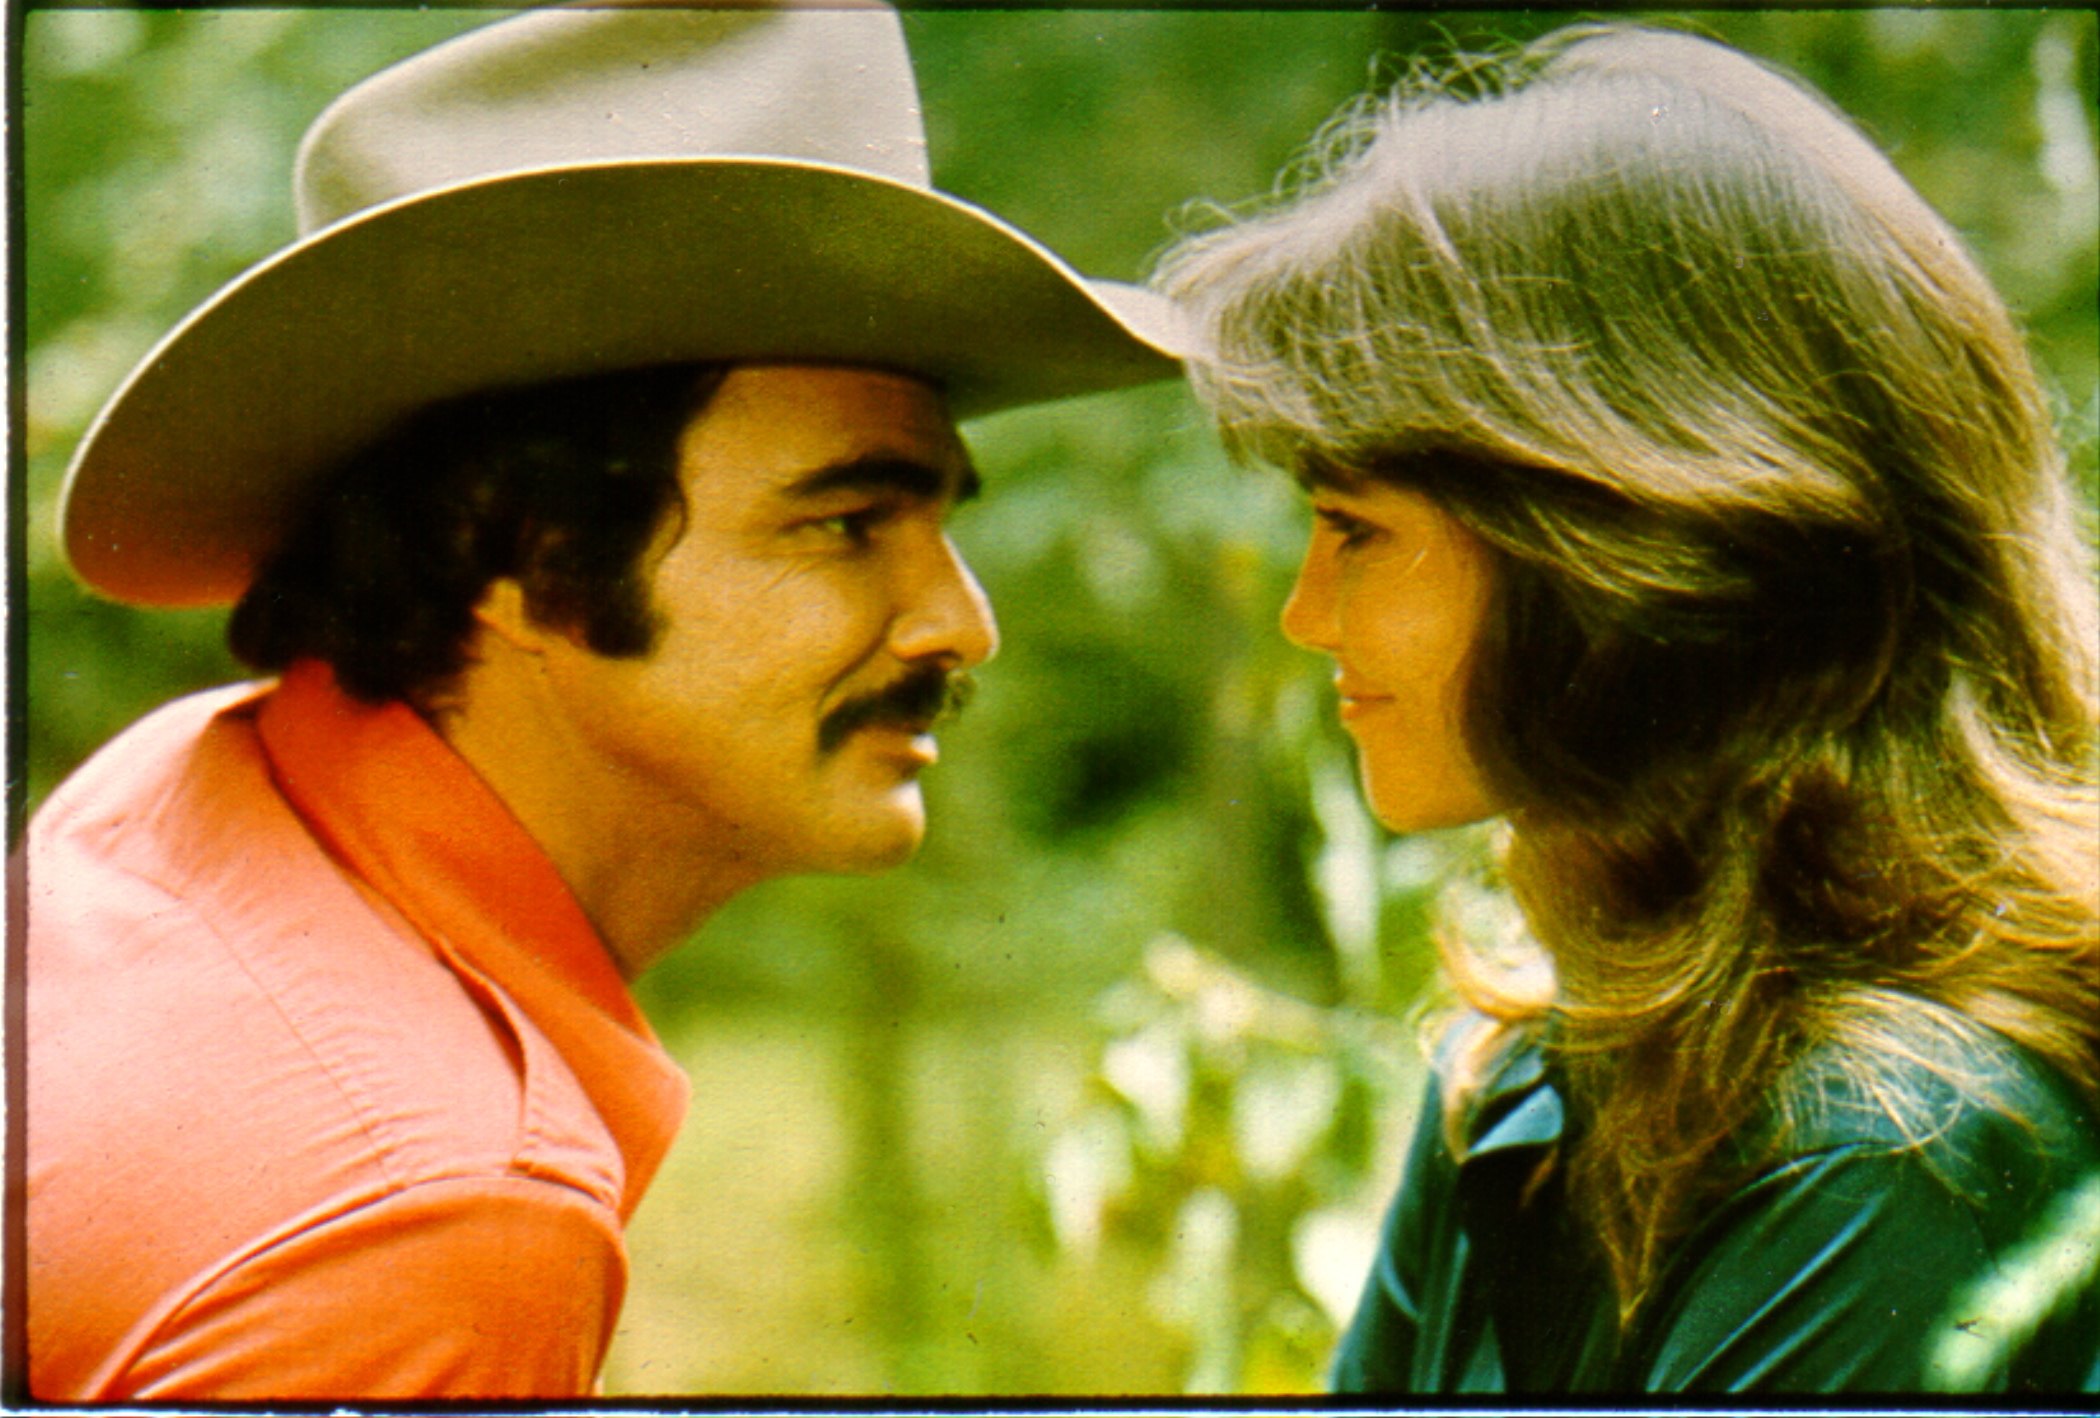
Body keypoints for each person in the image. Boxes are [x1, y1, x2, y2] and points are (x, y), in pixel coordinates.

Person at [26, 2, 1179, 1401]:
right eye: (844, 523)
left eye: (938, 518)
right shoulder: (443, 1219)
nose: (961, 620)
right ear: (518, 552)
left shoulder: (181, 792)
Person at [1155, 23, 2099, 1394]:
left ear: (1609, 547)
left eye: (1352, 529)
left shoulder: (1898, 1150)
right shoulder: (1531, 1084)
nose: (1307, 613)